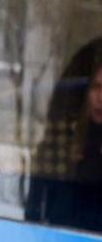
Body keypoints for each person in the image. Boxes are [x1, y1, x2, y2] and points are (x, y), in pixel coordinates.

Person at [28, 40, 102, 231]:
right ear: (85, 90)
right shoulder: (62, 137)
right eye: (97, 86)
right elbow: (36, 198)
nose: (101, 97)